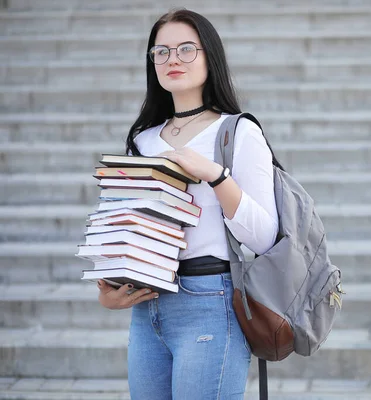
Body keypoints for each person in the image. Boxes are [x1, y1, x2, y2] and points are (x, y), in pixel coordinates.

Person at [95, 8, 280, 399]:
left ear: (209, 56)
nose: (172, 59)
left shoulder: (236, 132)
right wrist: (110, 285)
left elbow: (264, 237)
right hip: (148, 306)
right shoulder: (144, 141)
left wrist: (216, 175)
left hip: (210, 301)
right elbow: (130, 227)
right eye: (160, 52)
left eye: (185, 49)